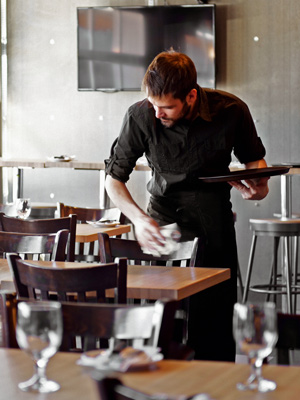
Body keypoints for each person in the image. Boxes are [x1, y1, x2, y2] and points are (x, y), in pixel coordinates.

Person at [104, 50, 269, 361]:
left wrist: (259, 187)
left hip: (214, 222)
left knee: (215, 324)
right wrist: (139, 220)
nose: (157, 114)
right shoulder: (140, 115)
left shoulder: (232, 109)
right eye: (153, 104)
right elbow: (113, 179)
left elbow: (254, 161)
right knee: (161, 324)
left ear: (191, 96)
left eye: (166, 107)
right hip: (163, 224)